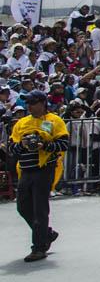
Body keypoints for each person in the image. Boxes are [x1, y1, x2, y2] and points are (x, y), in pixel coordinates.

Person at [10, 90, 68, 262]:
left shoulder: (53, 121)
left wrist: (44, 145)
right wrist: (23, 144)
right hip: (25, 170)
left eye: (32, 102)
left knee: (40, 210)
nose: (29, 106)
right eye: (27, 103)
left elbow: (63, 144)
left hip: (44, 169)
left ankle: (39, 247)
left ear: (42, 103)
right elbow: (12, 147)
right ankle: (46, 234)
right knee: (23, 206)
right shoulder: (21, 123)